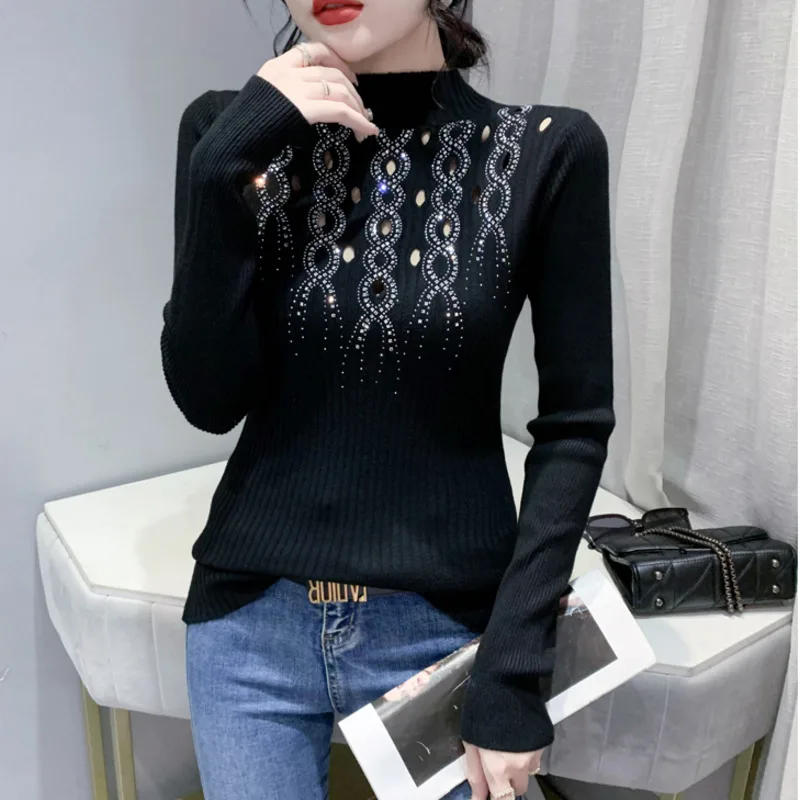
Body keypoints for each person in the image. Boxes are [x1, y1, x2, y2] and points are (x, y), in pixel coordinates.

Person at [160, 0, 615, 797]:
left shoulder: (547, 148)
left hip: (445, 636)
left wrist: (514, 667)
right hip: (251, 629)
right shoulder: (224, 132)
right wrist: (221, 165)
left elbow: (574, 426)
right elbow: (208, 398)